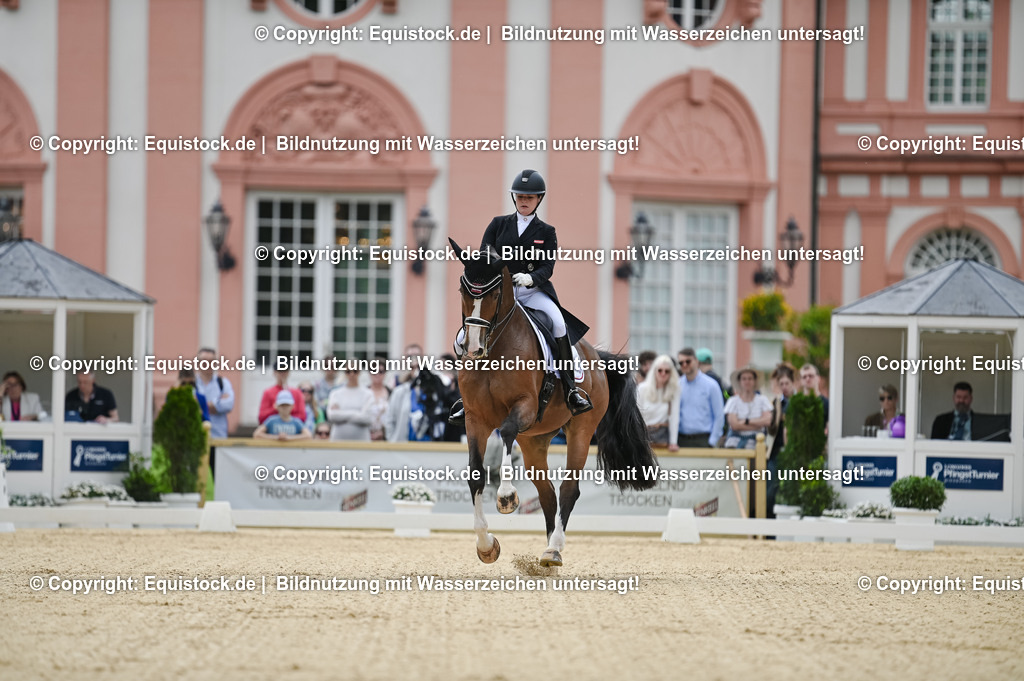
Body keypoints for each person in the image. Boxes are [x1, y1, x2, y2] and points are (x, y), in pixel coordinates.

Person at [448, 169, 592, 425]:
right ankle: (464, 398)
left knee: (558, 324)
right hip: (500, 293)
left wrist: (532, 278)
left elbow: (548, 266)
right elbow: (485, 258)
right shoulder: (498, 225)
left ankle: (571, 390)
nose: (524, 201)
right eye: (520, 196)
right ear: (514, 198)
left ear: (539, 200)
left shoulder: (546, 232)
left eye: (530, 197)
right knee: (463, 337)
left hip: (532, 291)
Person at [676, 348, 725, 448]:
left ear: (696, 361)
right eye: (681, 363)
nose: (684, 365)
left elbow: (719, 416)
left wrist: (712, 441)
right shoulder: (677, 385)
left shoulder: (711, 385)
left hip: (704, 440)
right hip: (681, 441)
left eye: (688, 361)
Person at [765, 362, 796, 520]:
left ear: (793, 383)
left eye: (786, 383)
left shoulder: (798, 402)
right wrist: (777, 405)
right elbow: (771, 428)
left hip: (792, 453)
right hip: (776, 452)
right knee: (770, 491)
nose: (784, 387)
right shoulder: (776, 403)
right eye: (781, 384)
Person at [722, 366, 773, 449]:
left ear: (755, 381)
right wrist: (758, 424)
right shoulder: (733, 401)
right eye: (744, 379)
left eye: (750, 379)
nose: (747, 381)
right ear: (739, 381)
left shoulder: (762, 400)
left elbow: (768, 421)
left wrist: (745, 421)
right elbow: (734, 425)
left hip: (757, 442)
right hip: (735, 442)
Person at [636, 355, 680, 451]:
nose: (663, 373)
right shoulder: (642, 388)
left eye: (667, 371)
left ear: (671, 373)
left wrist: (673, 442)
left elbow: (674, 417)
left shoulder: (674, 391)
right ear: (654, 371)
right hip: (643, 438)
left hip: (662, 439)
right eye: (660, 370)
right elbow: (637, 416)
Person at [195, 347, 235, 439]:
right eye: (204, 361)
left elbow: (229, 404)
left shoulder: (223, 383)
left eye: (211, 361)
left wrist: (202, 406)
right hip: (196, 438)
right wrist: (217, 403)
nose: (208, 364)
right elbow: (189, 405)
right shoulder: (190, 383)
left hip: (218, 437)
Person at [326, 367, 373, 441]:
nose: (352, 374)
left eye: (355, 371)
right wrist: (357, 413)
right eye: (348, 371)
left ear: (359, 372)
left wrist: (341, 414)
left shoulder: (368, 394)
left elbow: (367, 418)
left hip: (362, 441)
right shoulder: (335, 393)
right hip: (338, 441)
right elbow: (332, 416)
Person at [799, 363, 829, 431]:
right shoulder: (795, 404)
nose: (807, 379)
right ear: (801, 381)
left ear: (818, 378)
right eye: (804, 377)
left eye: (811, 376)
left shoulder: (827, 404)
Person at [366, 364, 391, 441]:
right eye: (374, 371)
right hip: (365, 437)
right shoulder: (363, 393)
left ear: (385, 374)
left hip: (385, 438)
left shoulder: (392, 393)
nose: (377, 374)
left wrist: (383, 432)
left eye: (380, 371)